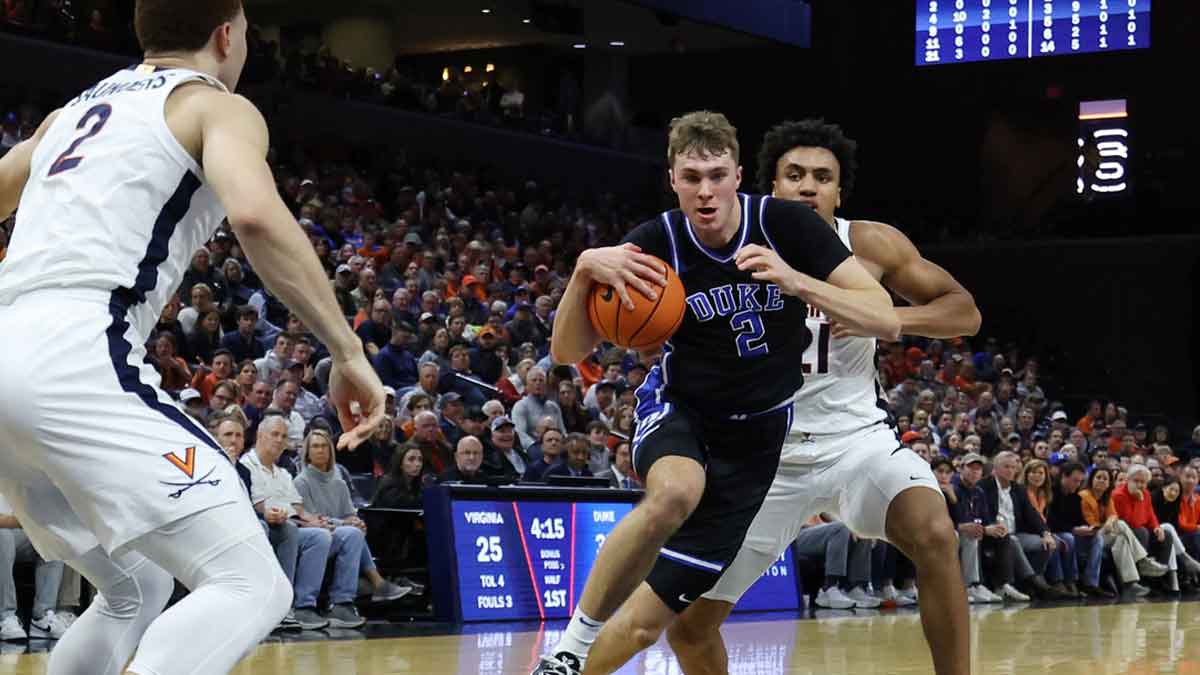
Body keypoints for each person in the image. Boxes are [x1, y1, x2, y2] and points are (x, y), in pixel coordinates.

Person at [0, 2, 387, 671]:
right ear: (227, 34)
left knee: (136, 586)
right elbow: (256, 216)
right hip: (80, 352)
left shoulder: (68, 116)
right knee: (251, 582)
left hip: (10, 347)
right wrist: (347, 351)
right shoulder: (215, 104)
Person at [533, 111, 900, 675]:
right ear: (672, 178)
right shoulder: (655, 242)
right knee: (676, 491)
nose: (705, 190)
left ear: (737, 177)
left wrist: (798, 281)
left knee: (648, 625)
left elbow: (885, 318)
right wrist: (584, 272)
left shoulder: (787, 228)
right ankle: (569, 647)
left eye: (717, 174)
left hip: (755, 445)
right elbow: (566, 352)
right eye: (691, 176)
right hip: (683, 411)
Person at [639, 118, 980, 675]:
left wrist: (883, 314)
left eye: (823, 177)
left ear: (839, 192)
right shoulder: (726, 241)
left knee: (934, 529)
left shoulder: (868, 244)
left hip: (854, 441)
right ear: (767, 187)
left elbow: (964, 311)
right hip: (760, 453)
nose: (808, 187)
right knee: (690, 623)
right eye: (794, 174)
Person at [292, 429, 412, 616]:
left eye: (324, 446)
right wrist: (345, 523)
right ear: (307, 452)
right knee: (351, 532)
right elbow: (314, 520)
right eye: (315, 446)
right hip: (318, 536)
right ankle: (375, 582)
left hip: (338, 533)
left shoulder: (339, 482)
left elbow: (349, 513)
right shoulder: (301, 482)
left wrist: (356, 521)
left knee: (356, 531)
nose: (320, 450)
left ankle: (345, 601)